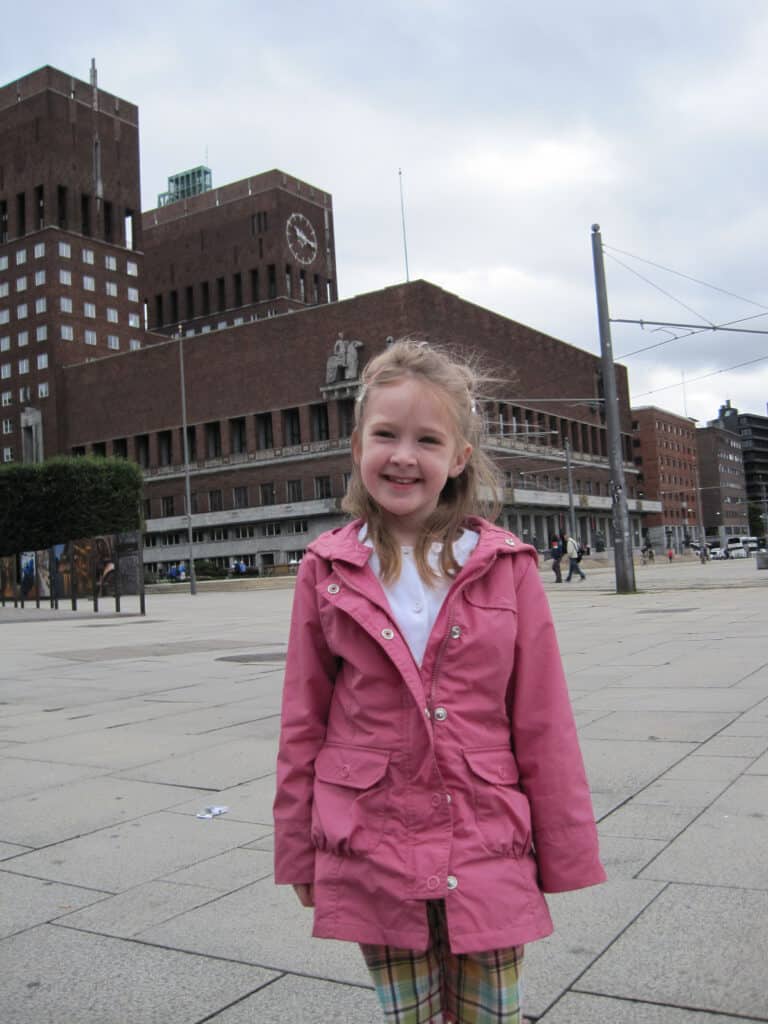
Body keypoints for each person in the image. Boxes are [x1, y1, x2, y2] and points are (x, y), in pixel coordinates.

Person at [273, 340, 605, 1024]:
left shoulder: (506, 567)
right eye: (386, 435)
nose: (402, 455)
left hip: (486, 835)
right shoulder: (326, 568)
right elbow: (303, 718)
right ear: (357, 445)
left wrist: (566, 849)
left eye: (427, 439)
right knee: (412, 1017)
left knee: (491, 1014)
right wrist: (299, 851)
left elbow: (544, 718)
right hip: (372, 837)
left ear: (457, 459)